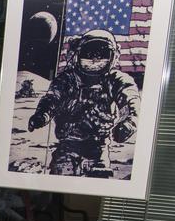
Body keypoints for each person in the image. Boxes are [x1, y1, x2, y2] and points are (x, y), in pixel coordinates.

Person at [28, 29, 141, 178]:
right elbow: (52, 99)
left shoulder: (116, 80)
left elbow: (130, 101)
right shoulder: (68, 79)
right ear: (79, 54)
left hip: (97, 147)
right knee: (61, 179)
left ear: (113, 56)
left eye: (102, 53)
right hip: (68, 145)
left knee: (98, 179)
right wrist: (42, 115)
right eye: (89, 53)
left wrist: (128, 124)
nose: (95, 59)